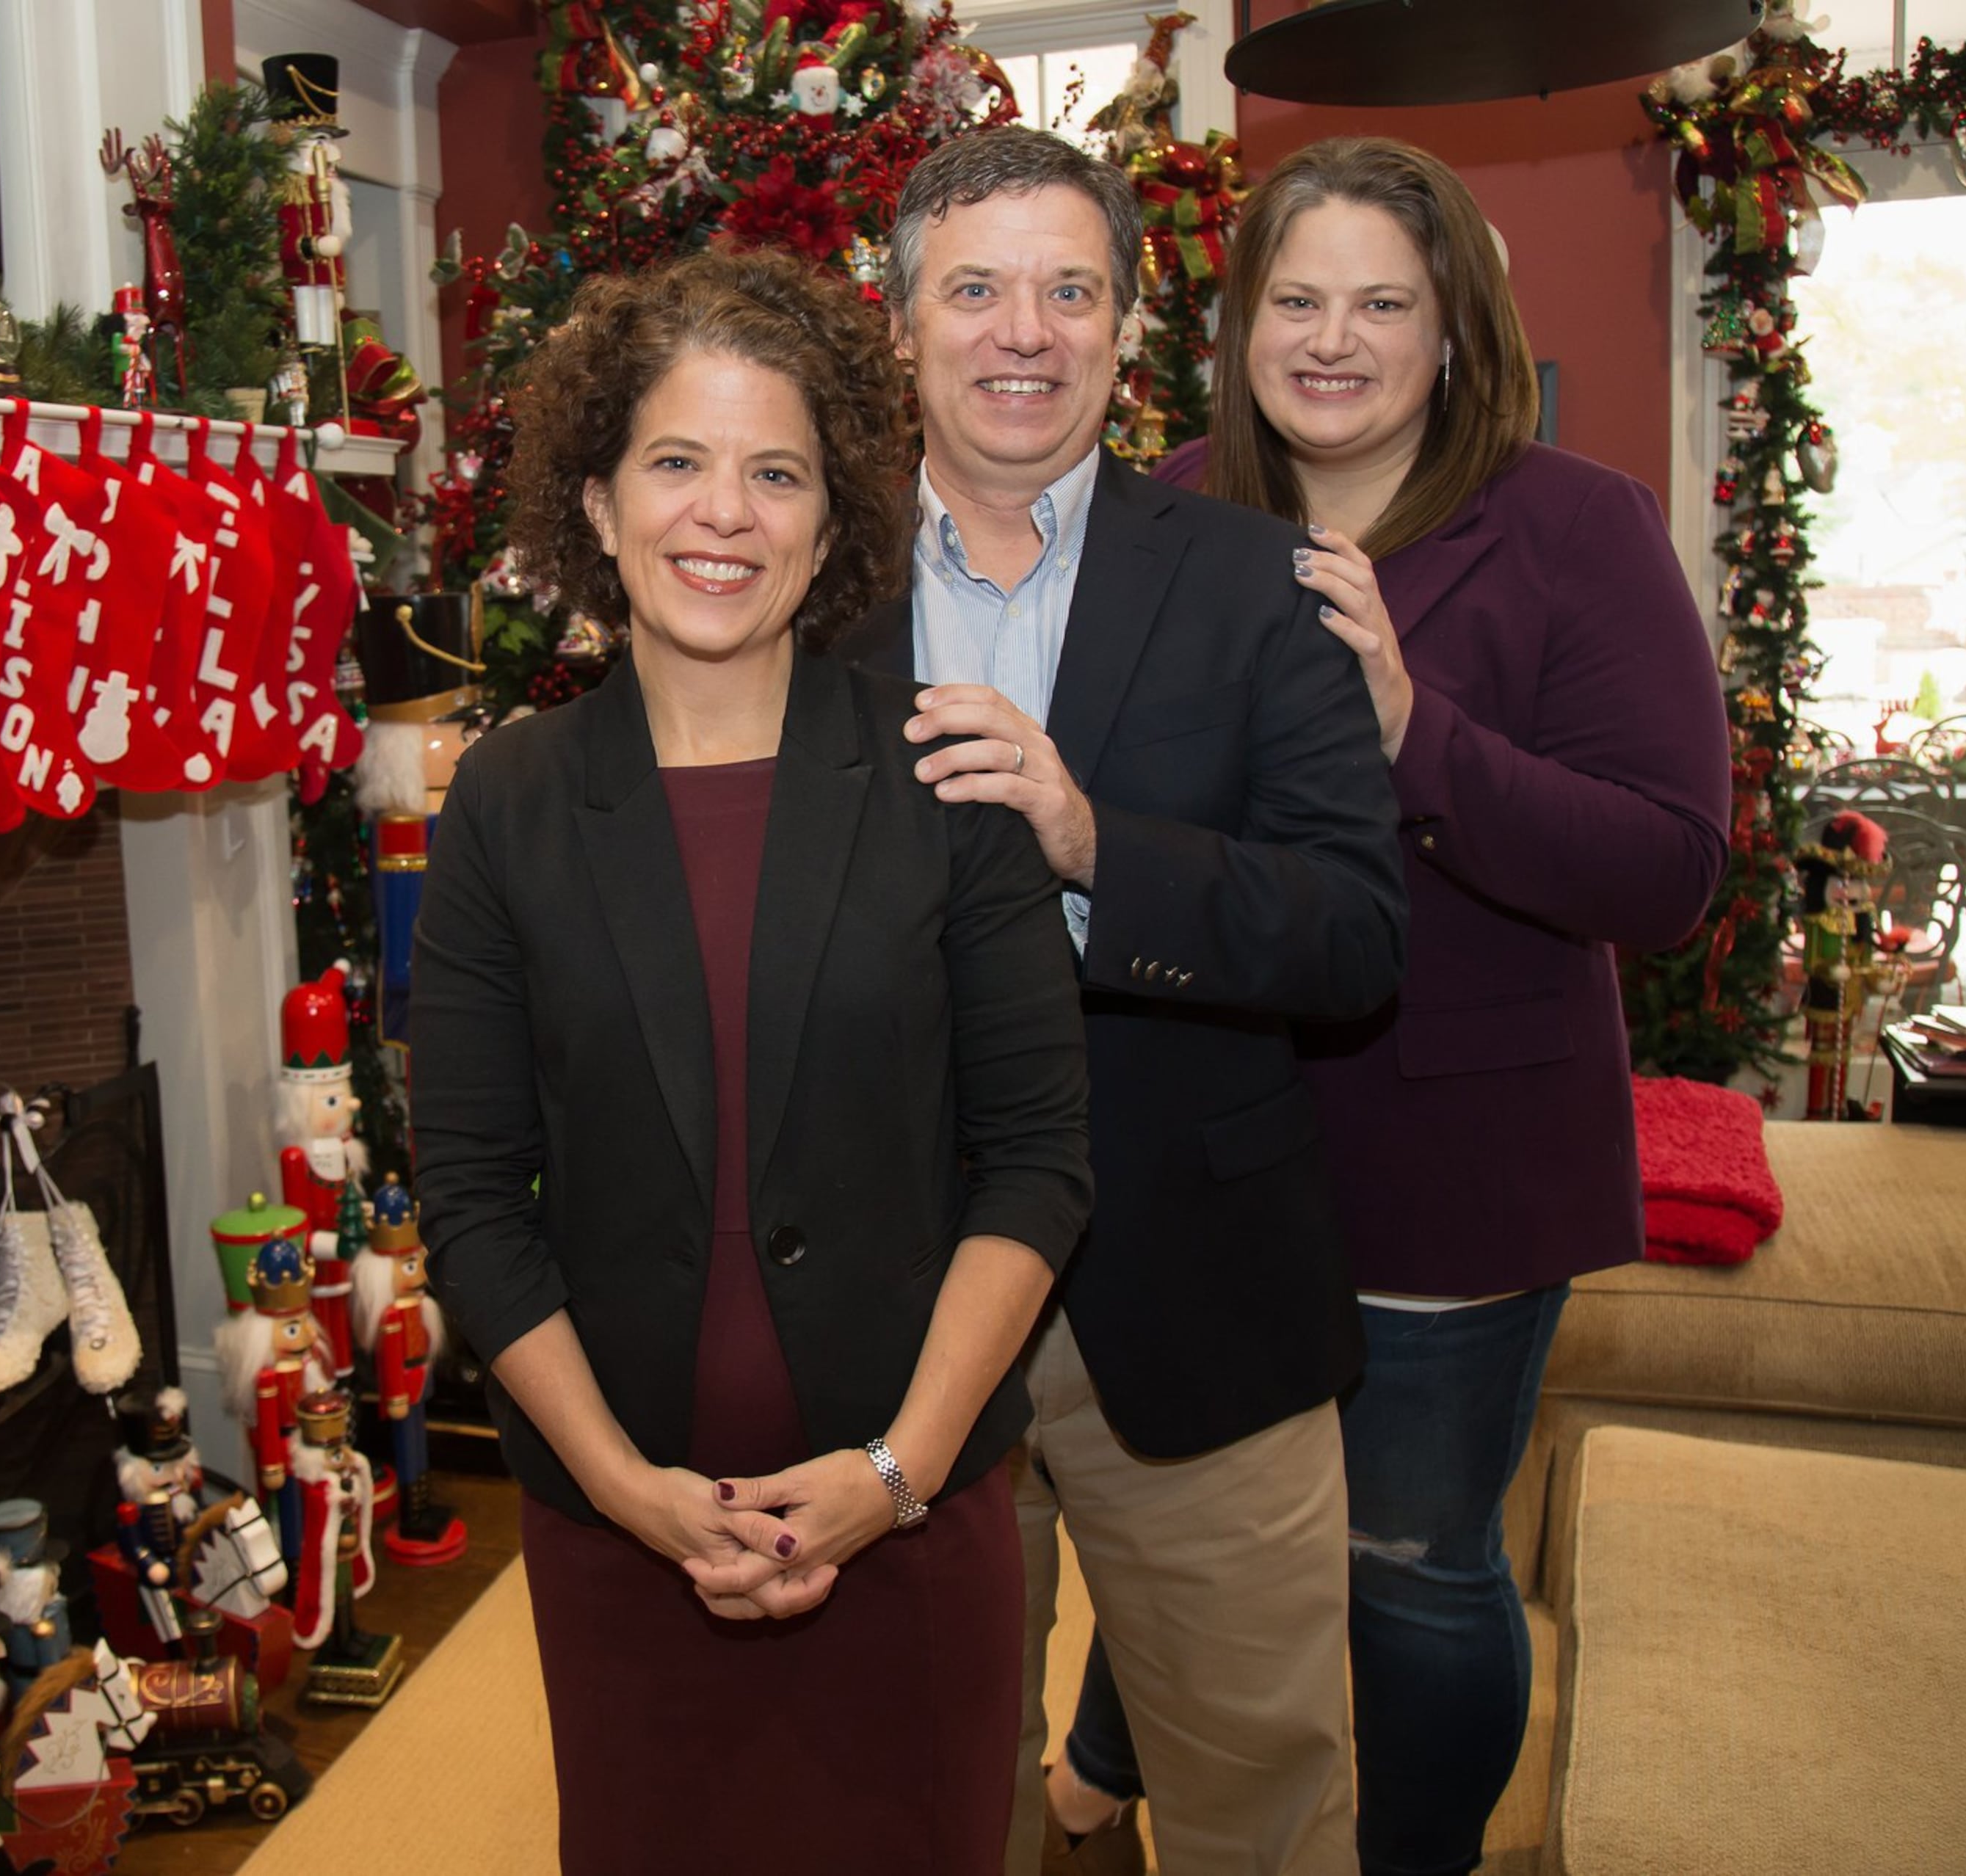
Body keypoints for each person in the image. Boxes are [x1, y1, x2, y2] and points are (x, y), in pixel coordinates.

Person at [1053, 137, 1731, 1876]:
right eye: (1297, 298)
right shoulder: (1176, 513)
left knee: (1407, 1562)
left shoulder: (1575, 530)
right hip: (1206, 1136)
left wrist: (1413, 726)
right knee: (1200, 1504)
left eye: (1383, 303)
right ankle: (1116, 1750)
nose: (1334, 340)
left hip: (1455, 1159)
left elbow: (1665, 871)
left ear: (1455, 332)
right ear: (1239, 322)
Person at [410, 245, 1093, 1875]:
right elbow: (470, 1197)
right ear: (596, 499)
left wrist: (897, 1471)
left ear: (831, 513)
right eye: (677, 462)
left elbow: (1038, 1163)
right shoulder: (508, 800)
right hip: (619, 1540)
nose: (724, 514)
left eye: (773, 472)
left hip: (909, 1532)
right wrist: (623, 1485)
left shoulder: (947, 772)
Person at [852, 126, 1409, 1876]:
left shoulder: (1265, 582)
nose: (1026, 331)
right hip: (887, 1298)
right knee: (934, 1799)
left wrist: (1095, 840)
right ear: (900, 329)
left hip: (1201, 1302)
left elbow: (1353, 936)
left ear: (1126, 329)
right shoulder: (795, 583)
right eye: (978, 288)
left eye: (1071, 289)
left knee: (1266, 1797)